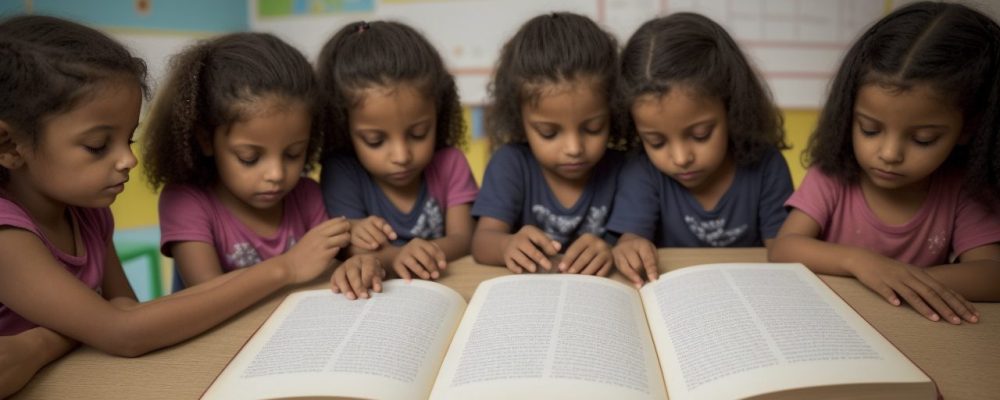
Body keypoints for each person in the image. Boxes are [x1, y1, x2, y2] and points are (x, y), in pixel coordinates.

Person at [0, 16, 346, 396]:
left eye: (129, 140)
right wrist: (286, 268)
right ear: (10, 146)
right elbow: (124, 332)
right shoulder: (7, 236)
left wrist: (40, 344)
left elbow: (124, 309)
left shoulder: (88, 213)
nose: (128, 160)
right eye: (98, 146)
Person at [770, 2, 1000, 324]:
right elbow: (783, 249)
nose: (889, 154)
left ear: (968, 128)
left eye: (923, 139)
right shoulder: (833, 175)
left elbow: (992, 275)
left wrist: (902, 280)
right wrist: (860, 262)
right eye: (870, 129)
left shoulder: (963, 189)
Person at [142, 32, 350, 291]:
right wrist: (288, 267)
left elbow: (328, 272)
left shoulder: (306, 195)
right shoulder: (187, 202)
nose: (276, 174)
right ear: (206, 139)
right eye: (249, 158)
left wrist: (355, 264)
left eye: (293, 154)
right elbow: (208, 295)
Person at [608, 13, 793, 287]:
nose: (681, 158)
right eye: (656, 142)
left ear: (732, 107)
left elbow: (786, 251)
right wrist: (629, 246)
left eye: (700, 134)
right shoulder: (642, 170)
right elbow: (631, 238)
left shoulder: (767, 166)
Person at [317, 21, 478, 298]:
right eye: (375, 140)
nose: (402, 156)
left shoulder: (450, 163)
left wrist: (419, 253)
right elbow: (351, 248)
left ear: (438, 113)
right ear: (343, 126)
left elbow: (464, 238)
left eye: (418, 133)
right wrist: (398, 256)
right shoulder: (341, 172)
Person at [470, 12, 625, 277]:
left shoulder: (625, 168)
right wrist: (506, 245)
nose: (574, 148)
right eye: (548, 133)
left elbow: (639, 240)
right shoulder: (510, 164)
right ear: (519, 120)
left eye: (593, 128)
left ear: (614, 110)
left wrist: (614, 249)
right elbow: (482, 242)